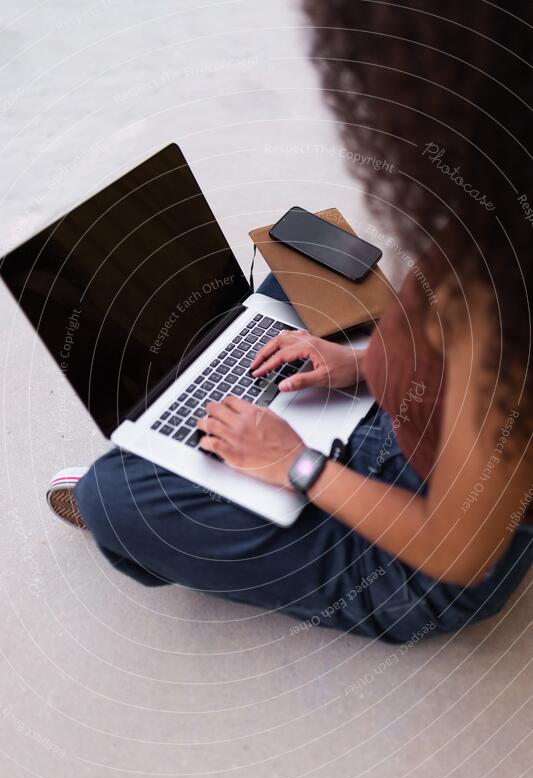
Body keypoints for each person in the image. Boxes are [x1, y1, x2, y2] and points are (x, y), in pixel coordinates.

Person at [47, 0, 532, 643]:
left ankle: (170, 474)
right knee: (300, 257)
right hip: (409, 425)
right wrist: (361, 365)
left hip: (418, 555)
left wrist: (295, 465)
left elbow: (459, 548)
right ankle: (197, 428)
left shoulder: (507, 317)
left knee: (115, 499)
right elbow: (448, 333)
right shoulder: (498, 205)